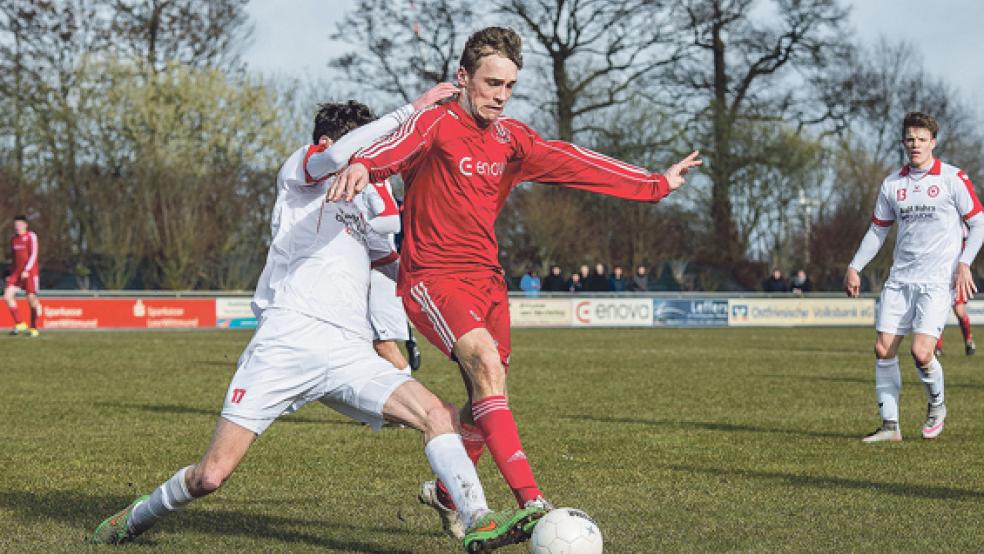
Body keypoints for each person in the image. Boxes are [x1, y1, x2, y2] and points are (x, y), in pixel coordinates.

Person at [91, 89, 541, 552]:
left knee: (437, 414)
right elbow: (345, 154)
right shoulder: (299, 174)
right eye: (359, 151)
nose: (365, 161)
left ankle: (479, 519)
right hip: (286, 341)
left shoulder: (362, 207)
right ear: (326, 144)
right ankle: (139, 515)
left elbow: (396, 265)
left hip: (349, 350)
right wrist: (414, 111)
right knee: (210, 476)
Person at [329, 26, 701, 526]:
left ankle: (445, 492)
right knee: (484, 363)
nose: (500, 96)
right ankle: (533, 503)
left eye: (509, 86)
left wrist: (655, 184)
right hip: (432, 277)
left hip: (488, 280)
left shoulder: (511, 139)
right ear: (463, 78)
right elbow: (394, 145)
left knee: (488, 392)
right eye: (491, 83)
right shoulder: (435, 124)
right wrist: (363, 166)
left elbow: (574, 162)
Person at [844, 111, 984, 442]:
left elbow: (979, 222)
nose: (916, 145)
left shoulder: (953, 178)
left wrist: (964, 263)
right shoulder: (893, 184)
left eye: (922, 139)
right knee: (882, 349)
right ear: (904, 142)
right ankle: (890, 426)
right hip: (900, 280)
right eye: (910, 139)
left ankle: (937, 405)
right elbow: (877, 231)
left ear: (933, 143)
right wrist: (854, 266)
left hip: (937, 281)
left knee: (922, 353)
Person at [935, 222, 976, 357]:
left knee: (959, 312)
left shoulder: (962, 226)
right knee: (938, 313)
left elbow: (970, 245)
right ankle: (937, 348)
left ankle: (969, 341)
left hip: (956, 275)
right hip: (940, 275)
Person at [5, 215, 41, 337]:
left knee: (31, 300)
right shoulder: (13, 239)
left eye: (20, 224)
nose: (17, 227)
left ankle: (34, 328)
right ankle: (20, 323)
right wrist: (11, 274)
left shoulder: (31, 236)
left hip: (30, 273)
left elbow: (34, 254)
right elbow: (15, 259)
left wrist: (27, 269)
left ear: (25, 225)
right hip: (16, 273)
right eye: (16, 225)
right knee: (7, 296)